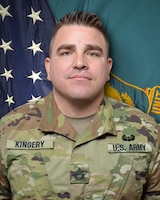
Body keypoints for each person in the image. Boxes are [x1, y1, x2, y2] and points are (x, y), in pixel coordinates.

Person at [0, 11, 160, 200]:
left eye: (92, 53)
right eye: (67, 52)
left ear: (108, 68)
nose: (79, 63)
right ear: (48, 67)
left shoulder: (148, 134)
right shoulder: (7, 131)